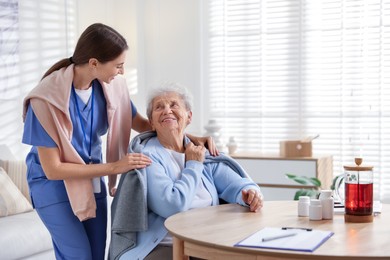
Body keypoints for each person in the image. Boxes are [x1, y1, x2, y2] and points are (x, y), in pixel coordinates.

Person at [21, 23, 216, 260]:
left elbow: (144, 124)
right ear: (94, 63)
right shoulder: (45, 101)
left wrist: (190, 137)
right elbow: (53, 169)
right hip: (53, 187)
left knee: (97, 253)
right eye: (118, 65)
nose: (121, 72)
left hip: (91, 179)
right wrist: (115, 167)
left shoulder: (110, 89)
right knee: (79, 255)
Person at [111, 83, 264, 260]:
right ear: (151, 122)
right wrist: (193, 165)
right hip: (165, 244)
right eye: (159, 107)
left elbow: (235, 184)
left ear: (189, 116)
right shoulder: (147, 157)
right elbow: (172, 206)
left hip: (206, 241)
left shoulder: (200, 152)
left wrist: (249, 194)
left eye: (174, 105)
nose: (167, 110)